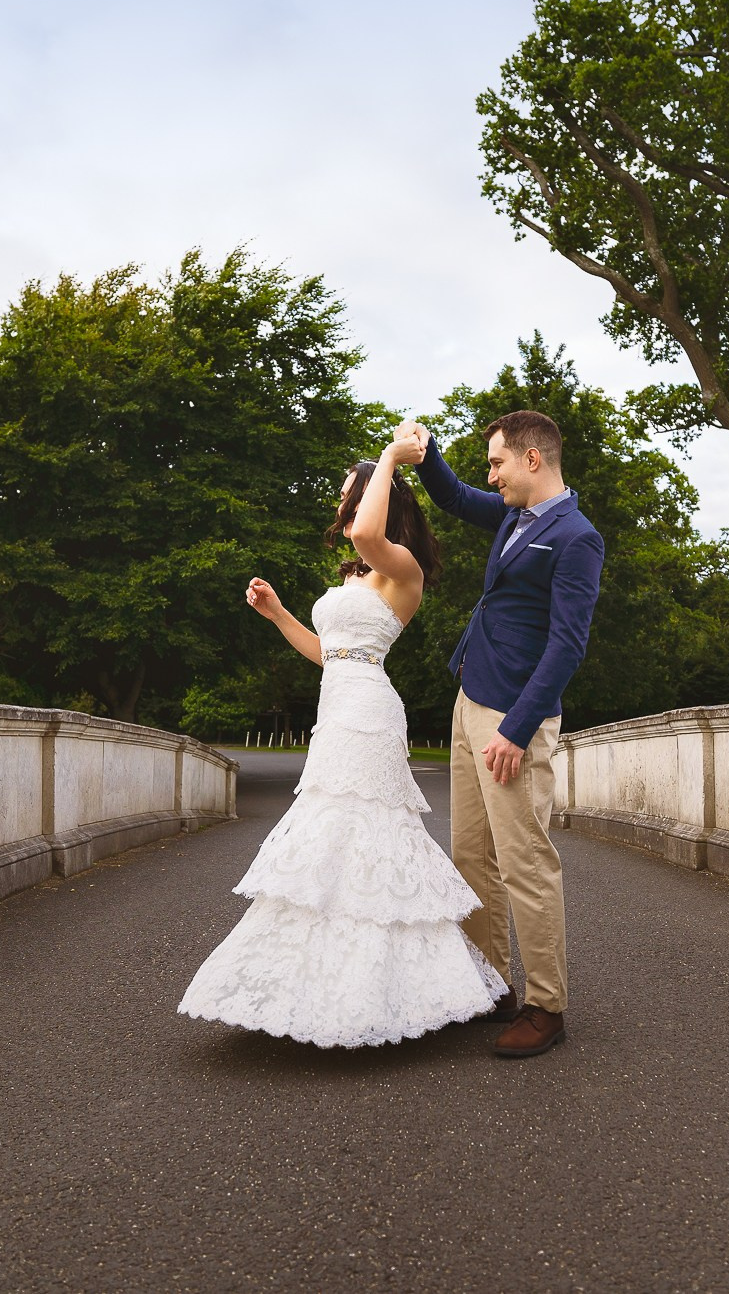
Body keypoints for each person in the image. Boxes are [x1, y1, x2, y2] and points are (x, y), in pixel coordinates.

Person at [177, 438, 507, 1047]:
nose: (338, 502)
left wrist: (386, 458)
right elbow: (328, 657)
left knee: (369, 832)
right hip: (337, 711)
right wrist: (277, 613)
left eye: (345, 491)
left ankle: (393, 988)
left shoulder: (401, 568)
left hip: (372, 715)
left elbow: (365, 536)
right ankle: (316, 985)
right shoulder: (358, 573)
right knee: (330, 838)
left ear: (370, 496)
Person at [398, 411, 603, 1059]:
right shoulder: (515, 516)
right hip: (470, 700)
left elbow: (568, 645)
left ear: (533, 460)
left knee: (525, 863)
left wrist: (515, 730)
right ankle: (490, 986)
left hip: (515, 717)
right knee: (471, 855)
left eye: (497, 463)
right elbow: (454, 495)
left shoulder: (576, 537)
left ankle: (547, 1004)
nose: (492, 475)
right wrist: (423, 452)